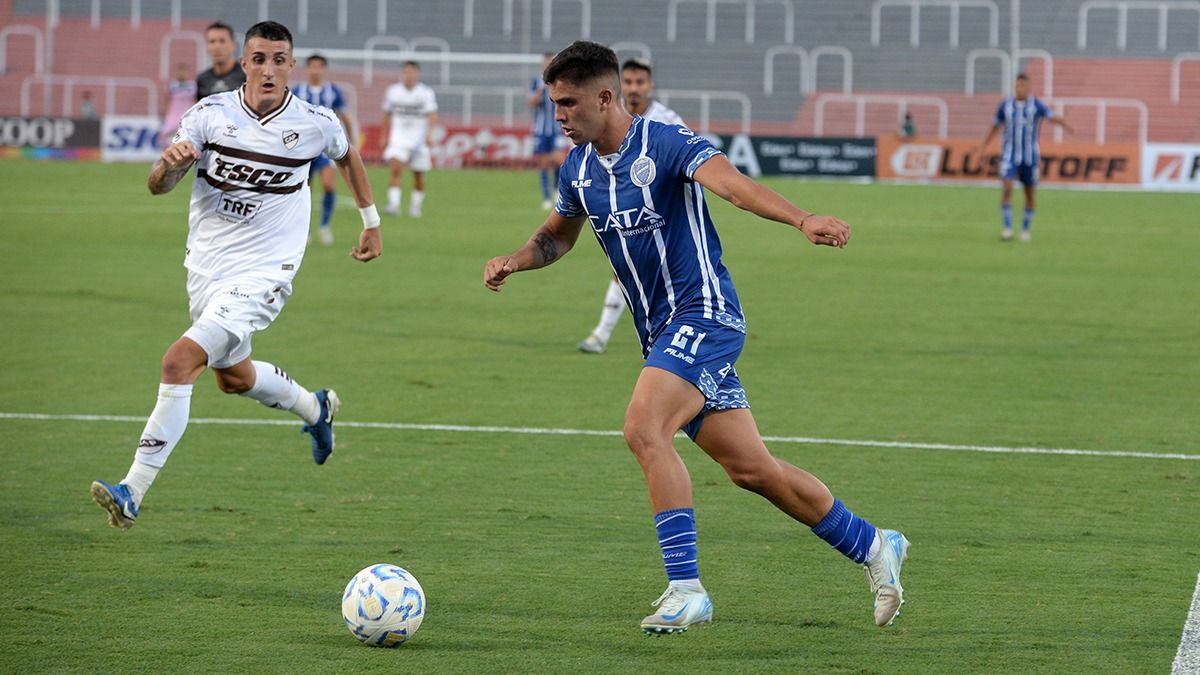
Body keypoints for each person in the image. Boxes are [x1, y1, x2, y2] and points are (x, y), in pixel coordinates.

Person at [483, 41, 909, 635]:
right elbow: (557, 237)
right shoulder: (578, 168)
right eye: (555, 103)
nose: (558, 114)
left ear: (605, 97)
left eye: (568, 103)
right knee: (753, 471)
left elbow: (733, 187)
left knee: (643, 427)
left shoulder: (666, 143)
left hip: (704, 317)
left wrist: (802, 218)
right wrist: (516, 259)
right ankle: (874, 544)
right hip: (661, 334)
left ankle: (686, 589)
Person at [90, 20, 383, 530]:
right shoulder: (208, 115)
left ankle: (132, 490)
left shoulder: (315, 122)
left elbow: (349, 154)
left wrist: (371, 222)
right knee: (233, 378)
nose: (269, 69)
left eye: (279, 59)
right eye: (259, 59)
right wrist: (169, 165)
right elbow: (159, 186)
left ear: (290, 66)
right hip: (206, 267)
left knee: (180, 360)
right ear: (243, 64)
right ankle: (316, 410)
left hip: (267, 270)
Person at [577, 57, 685, 355]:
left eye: (640, 82)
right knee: (625, 269)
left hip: (663, 213)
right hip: (620, 206)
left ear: (650, 85)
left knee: (646, 274)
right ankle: (603, 334)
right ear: (618, 85)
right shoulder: (612, 117)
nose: (634, 88)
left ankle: (605, 335)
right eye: (628, 82)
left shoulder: (668, 120)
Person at [978, 73, 1072, 242]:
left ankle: (1025, 230)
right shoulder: (1005, 106)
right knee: (1007, 188)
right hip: (1009, 155)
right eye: (1017, 86)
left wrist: (1065, 124)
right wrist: (982, 147)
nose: (1019, 89)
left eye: (1022, 86)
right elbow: (994, 126)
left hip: (1030, 158)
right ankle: (1007, 228)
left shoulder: (1036, 105)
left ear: (1028, 87)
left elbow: (1051, 116)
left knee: (1029, 194)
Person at [293, 53, 353, 246]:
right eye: (312, 66)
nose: (315, 70)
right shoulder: (297, 91)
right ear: (307, 69)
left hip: (325, 149)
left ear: (324, 69)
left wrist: (350, 141)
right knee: (304, 191)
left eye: (319, 66)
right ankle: (306, 230)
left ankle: (324, 226)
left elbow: (344, 116)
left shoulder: (332, 91)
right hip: (304, 149)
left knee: (329, 185)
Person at [381, 61, 438, 217]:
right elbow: (387, 114)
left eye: (412, 72)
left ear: (417, 74)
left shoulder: (426, 93)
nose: (409, 75)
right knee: (395, 169)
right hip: (398, 138)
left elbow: (432, 115)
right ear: (402, 74)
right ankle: (394, 205)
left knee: (418, 175)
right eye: (406, 72)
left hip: (419, 140)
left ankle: (415, 206)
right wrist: (384, 135)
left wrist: (429, 133)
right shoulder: (392, 91)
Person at [529, 52, 563, 210]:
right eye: (546, 62)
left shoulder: (560, 82)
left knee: (559, 161)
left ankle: (557, 190)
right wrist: (541, 90)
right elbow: (531, 103)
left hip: (557, 128)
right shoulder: (537, 82)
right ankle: (546, 197)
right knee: (542, 163)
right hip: (541, 130)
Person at [196, 21, 246, 100]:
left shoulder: (245, 75)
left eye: (222, 41)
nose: (217, 46)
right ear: (207, 46)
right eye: (212, 41)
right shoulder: (202, 79)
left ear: (233, 45)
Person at [160, 63, 196, 147]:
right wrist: (164, 113)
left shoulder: (192, 86)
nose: (181, 74)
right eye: (179, 72)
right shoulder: (172, 85)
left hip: (186, 117)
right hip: (172, 117)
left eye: (183, 72)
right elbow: (166, 99)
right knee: (164, 134)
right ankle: (167, 152)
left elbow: (195, 101)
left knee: (186, 137)